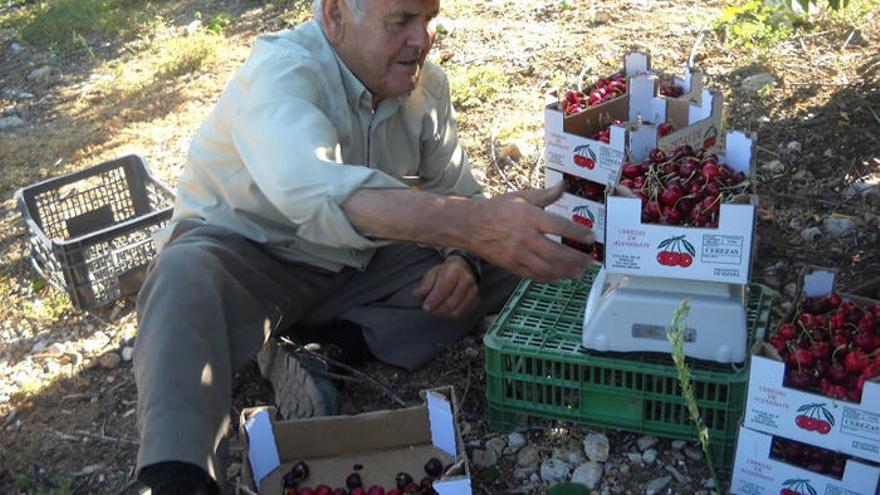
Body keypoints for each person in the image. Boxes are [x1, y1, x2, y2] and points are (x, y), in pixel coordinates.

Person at [132, 0, 594, 493]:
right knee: (183, 272)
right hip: (256, 261)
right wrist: (472, 226)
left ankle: (328, 349)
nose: (422, 39)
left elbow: (458, 193)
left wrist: (464, 259)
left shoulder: (425, 89)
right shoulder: (281, 73)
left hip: (361, 263)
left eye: (429, 19)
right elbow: (311, 189)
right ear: (334, 15)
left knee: (516, 251)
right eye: (401, 22)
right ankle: (175, 475)